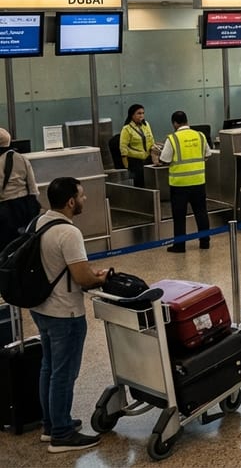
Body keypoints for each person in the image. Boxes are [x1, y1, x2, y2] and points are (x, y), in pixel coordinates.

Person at [30, 177, 109, 453]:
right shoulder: (69, 233)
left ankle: (51, 425)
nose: (85, 200)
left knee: (49, 367)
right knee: (64, 373)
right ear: (70, 202)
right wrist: (102, 277)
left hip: (41, 308)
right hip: (66, 311)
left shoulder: (39, 222)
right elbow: (82, 278)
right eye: (82, 196)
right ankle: (62, 435)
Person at [159, 111, 212, 253]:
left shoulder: (172, 139)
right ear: (187, 121)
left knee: (179, 216)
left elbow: (164, 160)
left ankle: (180, 246)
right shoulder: (200, 135)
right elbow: (208, 154)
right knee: (201, 212)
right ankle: (205, 242)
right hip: (198, 182)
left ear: (175, 123)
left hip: (179, 184)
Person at [0, 127, 39, 247]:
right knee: (22, 242)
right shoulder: (21, 158)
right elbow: (33, 187)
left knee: (5, 244)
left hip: (4, 209)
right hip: (23, 206)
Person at [118, 104, 154, 188]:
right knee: (140, 185)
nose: (141, 115)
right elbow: (123, 147)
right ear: (132, 115)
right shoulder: (127, 129)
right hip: (135, 161)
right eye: (139, 113)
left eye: (143, 113)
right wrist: (126, 166)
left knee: (150, 183)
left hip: (148, 159)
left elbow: (151, 140)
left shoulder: (146, 125)